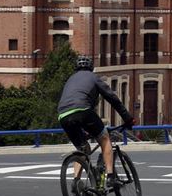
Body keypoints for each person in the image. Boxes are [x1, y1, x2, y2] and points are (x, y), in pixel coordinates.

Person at [58, 55, 135, 188]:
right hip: (83, 111)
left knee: (82, 148)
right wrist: (127, 118)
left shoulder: (70, 79)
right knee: (105, 139)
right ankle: (110, 177)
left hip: (63, 115)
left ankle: (76, 182)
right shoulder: (93, 78)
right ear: (91, 68)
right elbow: (112, 98)